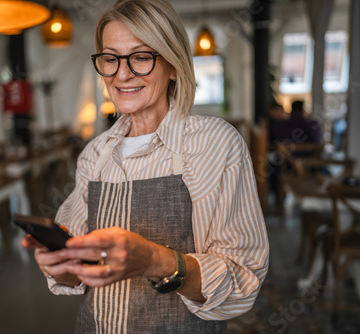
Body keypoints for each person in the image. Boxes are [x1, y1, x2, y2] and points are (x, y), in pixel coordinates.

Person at [22, 0, 269, 332]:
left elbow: (242, 282)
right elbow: (76, 275)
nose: (121, 74)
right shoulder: (95, 154)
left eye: (140, 57)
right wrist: (57, 263)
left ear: (173, 64)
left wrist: (154, 260)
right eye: (110, 59)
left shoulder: (214, 143)